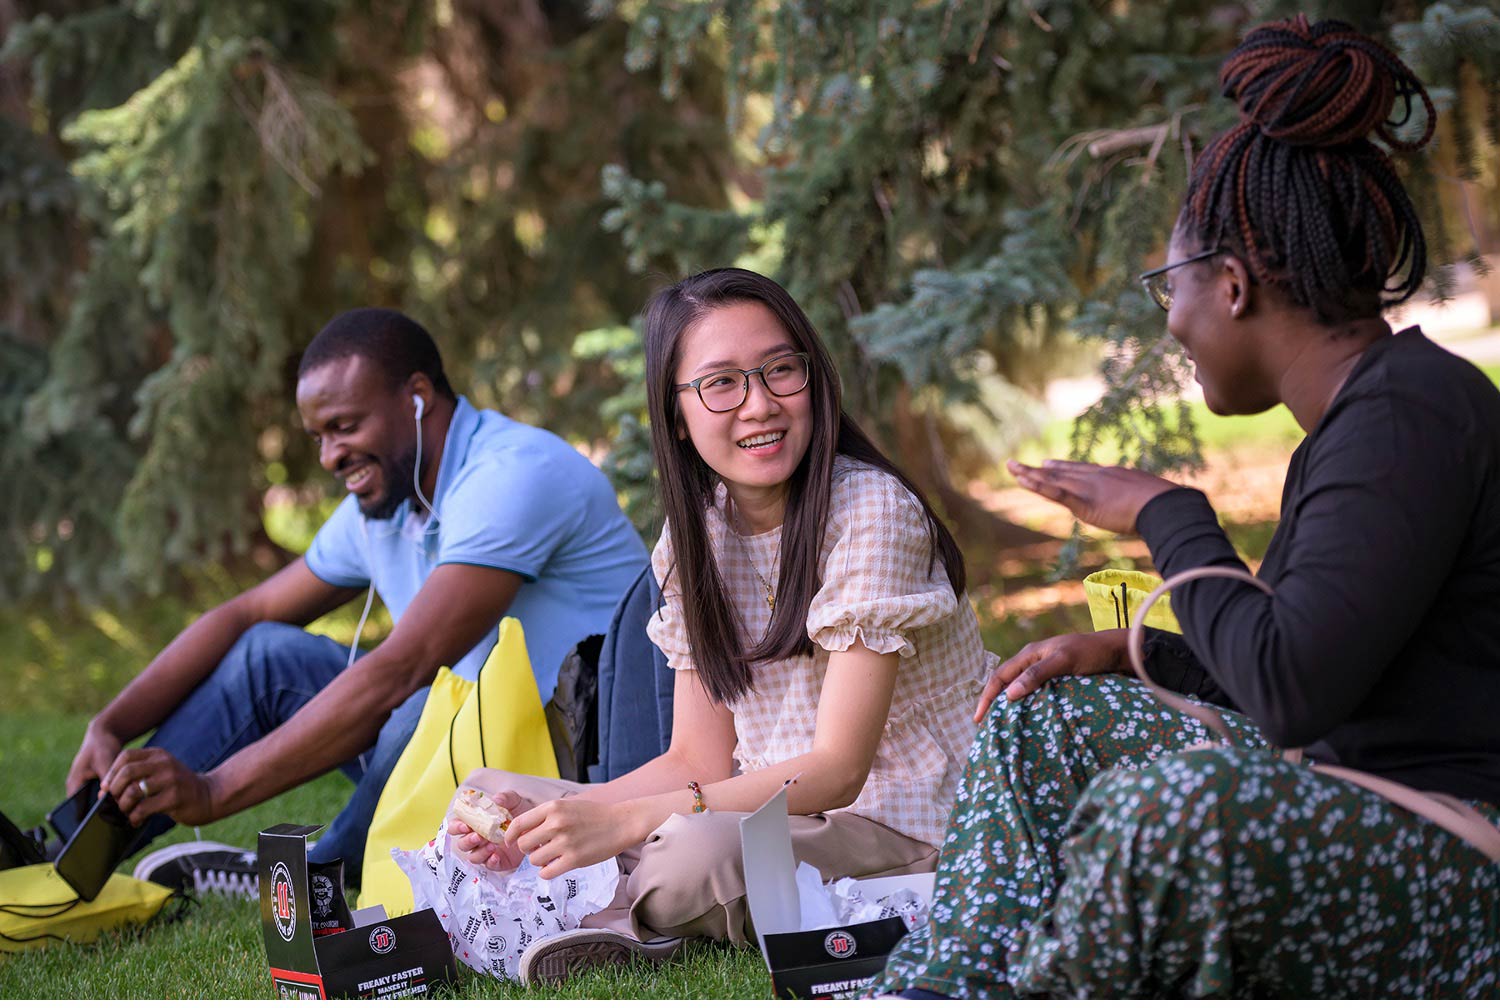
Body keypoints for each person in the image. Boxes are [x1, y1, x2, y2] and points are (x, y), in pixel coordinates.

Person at [875, 16, 1500, 999]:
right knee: (1049, 719)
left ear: (1234, 285)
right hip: (1364, 801)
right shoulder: (1369, 418)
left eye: (1170, 286)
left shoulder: (1410, 416)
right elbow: (1329, 656)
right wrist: (1141, 652)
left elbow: (1296, 693)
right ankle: (941, 986)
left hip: (1456, 854)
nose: (1171, 321)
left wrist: (1168, 514)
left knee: (1181, 806)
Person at [444, 267, 992, 984]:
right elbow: (695, 763)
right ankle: (567, 879)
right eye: (722, 383)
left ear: (813, 380)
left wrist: (624, 821)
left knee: (691, 857)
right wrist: (550, 819)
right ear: (677, 413)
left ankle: (601, 918)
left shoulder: (872, 512)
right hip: (765, 808)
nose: (760, 404)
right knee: (486, 790)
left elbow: (837, 771)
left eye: (780, 371)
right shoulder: (694, 537)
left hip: (905, 826)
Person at [63, 307, 648, 892]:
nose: (327, 457)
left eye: (344, 427)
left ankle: (316, 872)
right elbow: (247, 613)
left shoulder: (513, 473)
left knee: (423, 705)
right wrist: (112, 722)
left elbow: (402, 670)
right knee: (267, 654)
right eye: (318, 437)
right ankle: (68, 850)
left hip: (577, 761)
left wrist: (214, 791)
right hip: (465, 745)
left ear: (417, 397)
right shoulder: (387, 501)